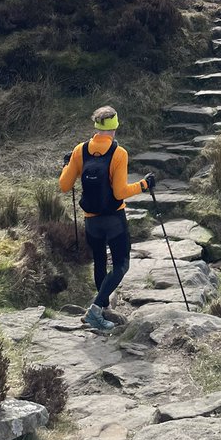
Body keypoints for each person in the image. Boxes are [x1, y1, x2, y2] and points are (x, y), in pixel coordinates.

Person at [59, 105, 157, 331]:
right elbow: (120, 192)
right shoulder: (118, 153)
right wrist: (144, 184)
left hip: (91, 220)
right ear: (114, 128)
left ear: (96, 126)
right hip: (114, 219)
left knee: (100, 263)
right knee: (122, 264)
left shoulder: (79, 150)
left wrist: (67, 166)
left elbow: (64, 185)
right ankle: (95, 310)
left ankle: (103, 310)